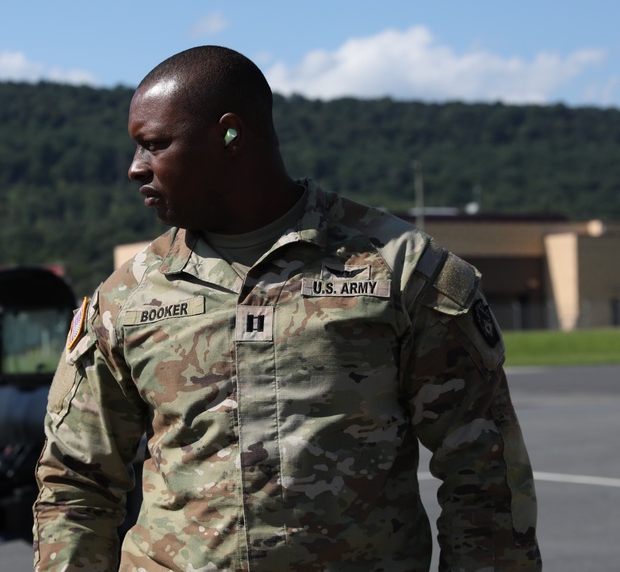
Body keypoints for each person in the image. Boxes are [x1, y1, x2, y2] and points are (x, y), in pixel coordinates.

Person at [33, 45, 541, 570]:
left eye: (155, 145)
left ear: (230, 135)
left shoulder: (401, 271)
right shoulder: (127, 298)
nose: (135, 169)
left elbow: (484, 472)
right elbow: (74, 483)